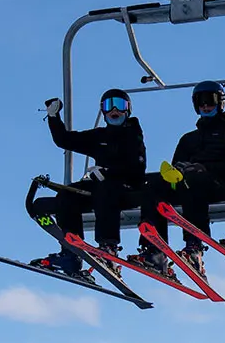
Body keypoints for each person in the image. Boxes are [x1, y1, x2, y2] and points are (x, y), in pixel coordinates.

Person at [28, 89, 146, 277]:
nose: (114, 109)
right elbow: (65, 140)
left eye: (120, 105)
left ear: (128, 110)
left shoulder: (133, 135)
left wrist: (109, 173)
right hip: (99, 187)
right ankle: (71, 252)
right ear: (103, 111)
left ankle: (108, 247)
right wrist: (53, 116)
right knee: (68, 193)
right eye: (109, 105)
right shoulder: (100, 136)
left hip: (125, 187)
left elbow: (137, 167)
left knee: (106, 189)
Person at [140, 81, 225, 271]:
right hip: (186, 183)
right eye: (201, 102)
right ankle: (154, 249)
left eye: (211, 101)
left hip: (219, 184)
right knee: (153, 184)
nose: (206, 106)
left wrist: (204, 169)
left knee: (193, 180)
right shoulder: (188, 139)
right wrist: (177, 171)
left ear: (220, 103)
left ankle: (194, 246)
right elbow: (176, 164)